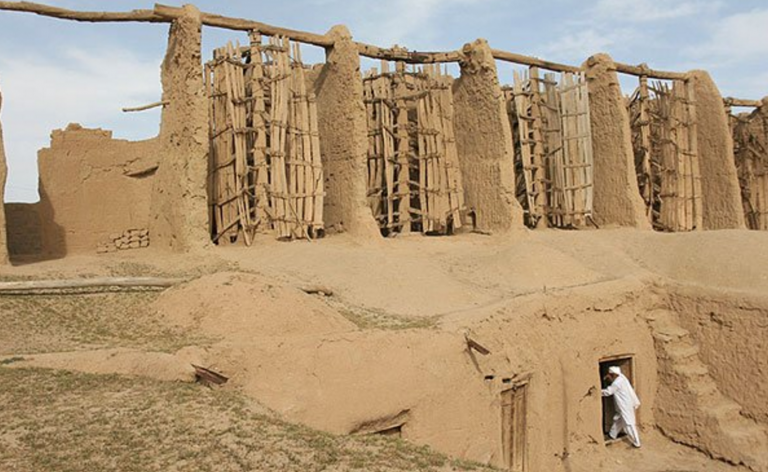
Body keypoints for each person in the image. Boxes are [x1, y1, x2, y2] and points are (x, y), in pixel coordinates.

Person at [601, 366, 641, 448]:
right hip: (623, 405)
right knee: (618, 419)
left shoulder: (617, 383)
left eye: (610, 375)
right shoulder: (622, 377)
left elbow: (609, 392)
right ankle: (612, 435)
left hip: (625, 405)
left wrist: (598, 391)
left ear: (614, 375)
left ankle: (637, 442)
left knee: (629, 423)